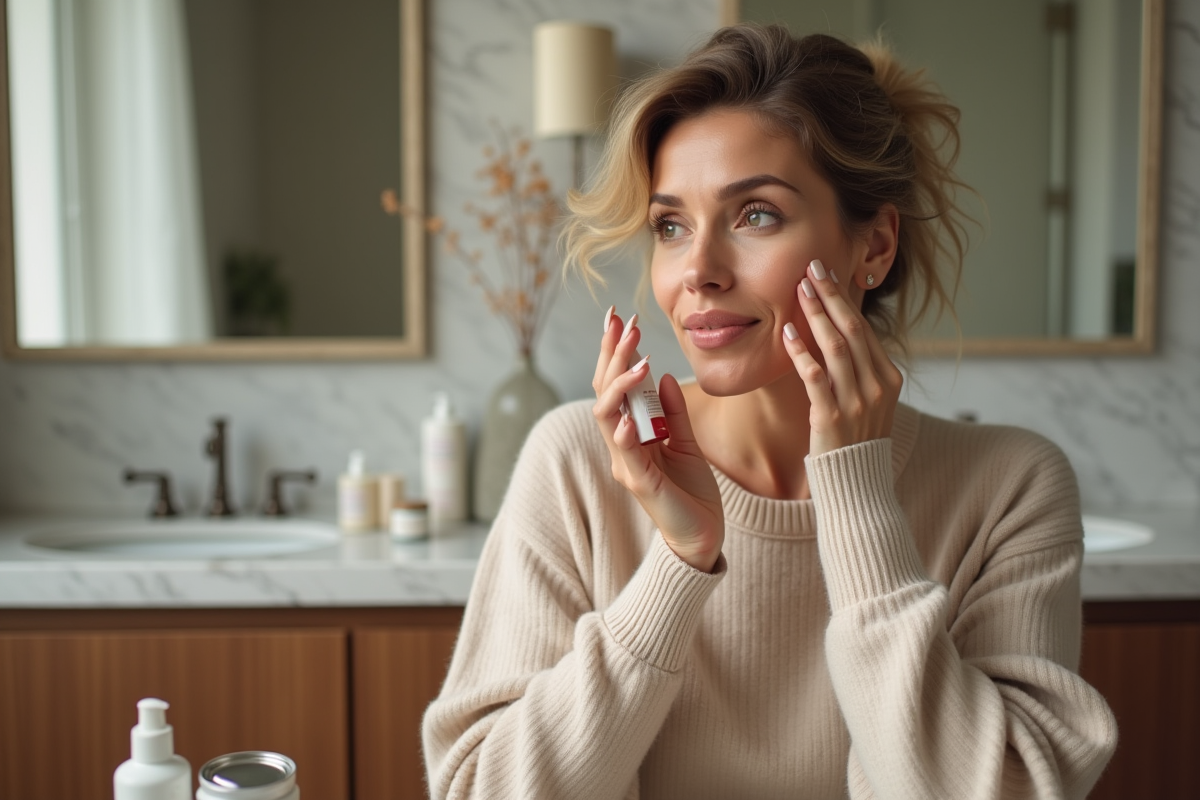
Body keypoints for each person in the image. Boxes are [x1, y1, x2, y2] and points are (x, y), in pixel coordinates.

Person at [423, 24, 1117, 799]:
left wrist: (855, 497)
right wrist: (679, 562)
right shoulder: (577, 463)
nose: (699, 271)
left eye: (755, 215)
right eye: (670, 225)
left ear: (874, 248)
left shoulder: (1010, 487)